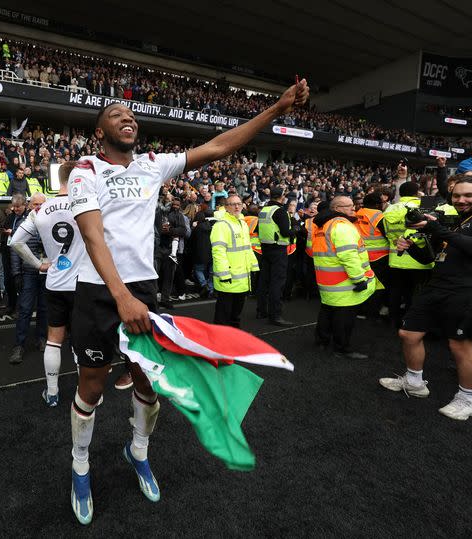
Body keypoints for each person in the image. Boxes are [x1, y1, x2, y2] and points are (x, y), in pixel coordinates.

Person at [66, 79, 309, 524]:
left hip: (143, 290)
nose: (127, 117)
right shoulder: (84, 171)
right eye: (115, 114)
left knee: (148, 381)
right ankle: (80, 464)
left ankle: (137, 451)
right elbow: (91, 233)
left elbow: (218, 147)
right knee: (92, 386)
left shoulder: (153, 165)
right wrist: (120, 298)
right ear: (99, 132)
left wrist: (275, 109)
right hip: (101, 291)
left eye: (130, 113)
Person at [379, 177, 472, 420]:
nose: (461, 200)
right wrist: (410, 247)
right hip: (437, 285)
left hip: (469, 289)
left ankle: (468, 399)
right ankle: (415, 382)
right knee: (408, 333)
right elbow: (430, 259)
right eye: (457, 195)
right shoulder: (456, 221)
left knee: (460, 346)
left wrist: (435, 228)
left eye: (468, 195)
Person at [11, 163, 85, 405]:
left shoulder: (40, 210)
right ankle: (86, 393)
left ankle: (52, 393)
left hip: (54, 281)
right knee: (80, 340)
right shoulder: (86, 204)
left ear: (59, 178)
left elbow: (16, 242)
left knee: (54, 338)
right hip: (82, 283)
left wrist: (38, 264)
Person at [312, 196, 375, 359]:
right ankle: (342, 348)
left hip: (327, 281)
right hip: (344, 282)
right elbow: (349, 256)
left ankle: (322, 341)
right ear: (338, 208)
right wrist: (359, 279)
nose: (354, 208)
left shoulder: (324, 225)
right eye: (350, 206)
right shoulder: (342, 227)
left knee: (327, 311)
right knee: (344, 317)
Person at [382, 182, 433, 328]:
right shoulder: (424, 206)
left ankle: (393, 320)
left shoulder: (390, 209)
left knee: (395, 292)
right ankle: (410, 323)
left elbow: (388, 234)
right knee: (415, 295)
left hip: (396, 258)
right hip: (419, 260)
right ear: (417, 192)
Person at [8, 193, 48, 364]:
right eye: (35, 204)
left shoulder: (50, 221)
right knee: (24, 309)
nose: (38, 206)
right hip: (29, 272)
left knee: (44, 308)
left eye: (41, 204)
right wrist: (16, 273)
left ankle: (41, 338)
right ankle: (19, 345)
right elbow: (15, 249)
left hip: (47, 272)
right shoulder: (24, 223)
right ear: (30, 205)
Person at [210, 194, 258, 327]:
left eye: (239, 203)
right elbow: (218, 251)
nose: (237, 206)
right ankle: (219, 343)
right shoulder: (221, 225)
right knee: (223, 317)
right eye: (233, 204)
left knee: (235, 315)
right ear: (226, 207)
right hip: (229, 278)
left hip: (241, 278)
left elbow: (247, 248)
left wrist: (254, 267)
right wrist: (224, 274)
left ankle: (233, 341)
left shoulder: (242, 223)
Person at [256, 187, 294, 326]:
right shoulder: (280, 211)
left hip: (266, 248)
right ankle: (275, 315)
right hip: (278, 249)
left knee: (264, 281)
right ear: (281, 196)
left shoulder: (264, 210)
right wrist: (294, 231)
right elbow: (285, 232)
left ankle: (261, 311)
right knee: (277, 283)